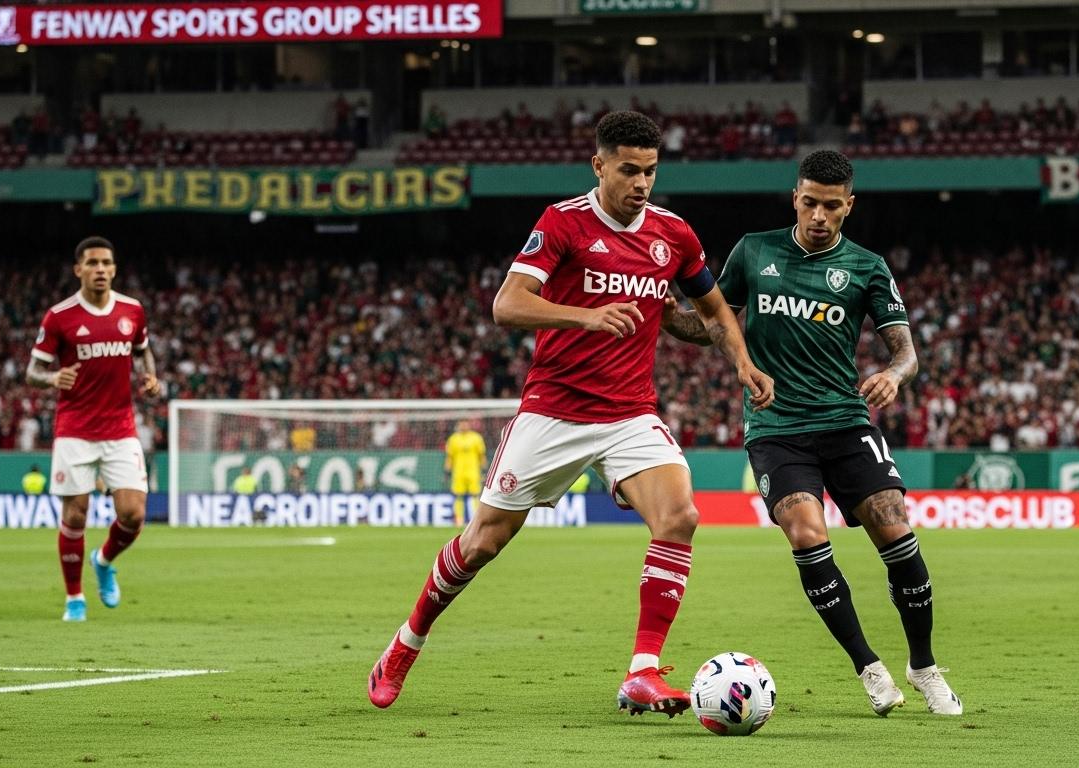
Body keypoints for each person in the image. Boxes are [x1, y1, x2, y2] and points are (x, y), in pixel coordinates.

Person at [367, 110, 774, 716]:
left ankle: (643, 670)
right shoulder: (563, 224)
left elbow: (714, 311)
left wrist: (741, 361)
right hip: (553, 411)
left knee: (681, 515)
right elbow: (507, 306)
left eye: (651, 171)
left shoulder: (674, 235)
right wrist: (587, 315)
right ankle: (406, 643)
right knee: (481, 544)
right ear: (599, 165)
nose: (641, 183)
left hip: (630, 414)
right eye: (629, 170)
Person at [661, 149, 962, 716]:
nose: (818, 215)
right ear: (794, 197)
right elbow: (711, 325)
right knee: (805, 533)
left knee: (894, 529)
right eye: (809, 202)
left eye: (831, 205)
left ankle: (922, 665)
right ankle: (869, 668)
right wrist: (658, 308)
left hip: (846, 423)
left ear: (849, 205)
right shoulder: (755, 250)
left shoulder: (868, 266)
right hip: (777, 428)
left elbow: (906, 351)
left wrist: (893, 375)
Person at [27, 236, 160, 623]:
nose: (100, 269)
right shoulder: (59, 316)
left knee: (133, 514)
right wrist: (53, 379)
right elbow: (31, 371)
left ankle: (103, 561)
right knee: (75, 516)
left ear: (115, 269)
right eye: (92, 263)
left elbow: (142, 351)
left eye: (106, 263)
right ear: (78, 269)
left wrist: (149, 376)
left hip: (120, 427)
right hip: (75, 429)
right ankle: (74, 599)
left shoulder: (133, 311)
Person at [443, 419, 486, 526]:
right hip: (458, 473)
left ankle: (477, 520)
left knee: (475, 495)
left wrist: (484, 470)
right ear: (458, 425)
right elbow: (449, 458)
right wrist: (447, 472)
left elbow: (482, 456)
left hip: (473, 472)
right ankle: (459, 520)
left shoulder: (476, 438)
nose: (463, 426)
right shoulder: (453, 439)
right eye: (461, 424)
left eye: (465, 424)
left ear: (469, 425)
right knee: (458, 496)